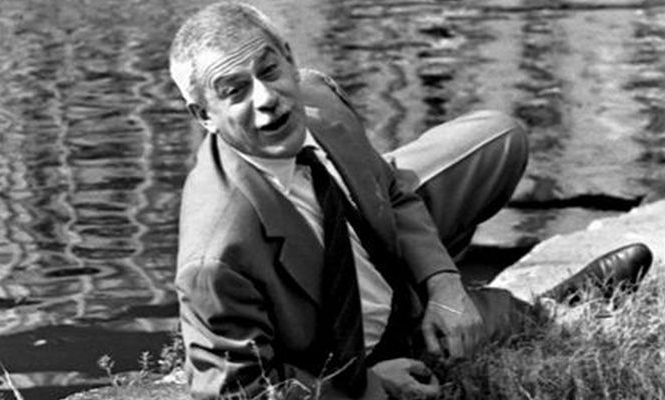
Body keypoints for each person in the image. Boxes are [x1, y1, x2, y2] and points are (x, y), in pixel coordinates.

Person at [168, 2, 653, 399]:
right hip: (343, 343)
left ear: (290, 60)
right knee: (499, 324)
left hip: (373, 256)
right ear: (203, 115)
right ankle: (546, 308)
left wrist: (443, 285)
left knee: (499, 137)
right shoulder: (216, 255)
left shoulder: (317, 98)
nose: (266, 98)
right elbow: (239, 391)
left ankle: (466, 299)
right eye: (235, 91)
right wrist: (368, 384)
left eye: (270, 70)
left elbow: (394, 191)